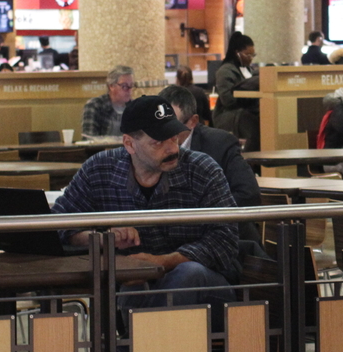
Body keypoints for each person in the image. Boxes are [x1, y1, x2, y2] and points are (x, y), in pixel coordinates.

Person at [53, 95, 239, 310]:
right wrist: (105, 239)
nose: (172, 148)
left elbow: (226, 239)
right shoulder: (99, 170)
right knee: (134, 283)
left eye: (173, 137)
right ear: (129, 144)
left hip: (208, 292)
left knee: (188, 273)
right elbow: (59, 226)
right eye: (158, 142)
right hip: (133, 287)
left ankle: (138, 342)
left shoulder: (202, 170)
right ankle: (137, 341)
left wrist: (162, 262)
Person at [159, 84, 258, 210]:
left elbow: (248, 194)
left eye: (172, 126)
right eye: (159, 125)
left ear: (192, 122)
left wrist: (198, 214)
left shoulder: (220, 144)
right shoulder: (149, 143)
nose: (164, 133)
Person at [214, 32, 260, 148]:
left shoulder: (249, 70)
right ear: (237, 53)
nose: (250, 59)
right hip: (229, 114)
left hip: (246, 111)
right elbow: (227, 101)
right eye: (247, 55)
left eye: (253, 55)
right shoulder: (225, 71)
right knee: (253, 120)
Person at [80, 65, 134, 138]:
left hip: (128, 149)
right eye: (124, 86)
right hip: (101, 149)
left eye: (131, 86)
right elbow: (89, 139)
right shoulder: (94, 105)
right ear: (111, 86)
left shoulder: (135, 107)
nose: (129, 90)